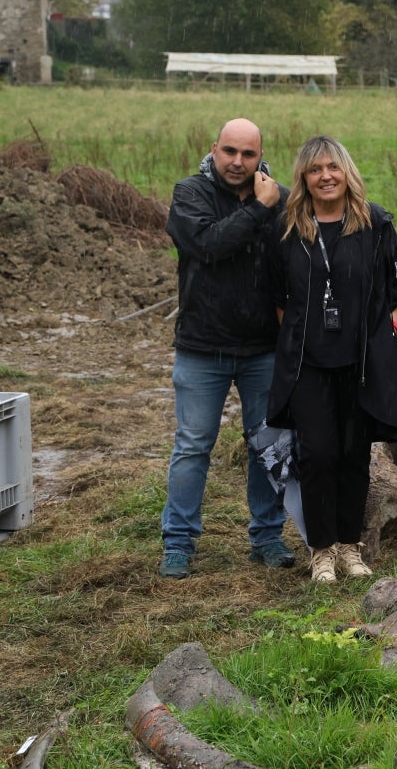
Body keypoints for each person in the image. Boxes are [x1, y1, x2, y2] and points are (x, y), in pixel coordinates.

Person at [268, 135, 397, 583]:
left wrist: (388, 330)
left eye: (332, 167)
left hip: (360, 363)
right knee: (318, 454)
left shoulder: (376, 224)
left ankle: (350, 547)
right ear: (304, 180)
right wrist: (300, 339)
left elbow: (396, 291)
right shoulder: (288, 229)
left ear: (347, 172)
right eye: (315, 170)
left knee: (354, 455)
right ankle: (322, 550)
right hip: (309, 364)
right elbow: (277, 300)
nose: (325, 176)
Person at [159, 118, 294, 579]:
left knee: (269, 446)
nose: (238, 162)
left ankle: (268, 537)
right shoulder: (190, 195)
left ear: (261, 156)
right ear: (214, 150)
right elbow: (209, 245)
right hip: (202, 347)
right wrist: (260, 207)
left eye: (248, 154)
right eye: (230, 152)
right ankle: (178, 542)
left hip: (263, 349)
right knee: (193, 446)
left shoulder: (283, 202)